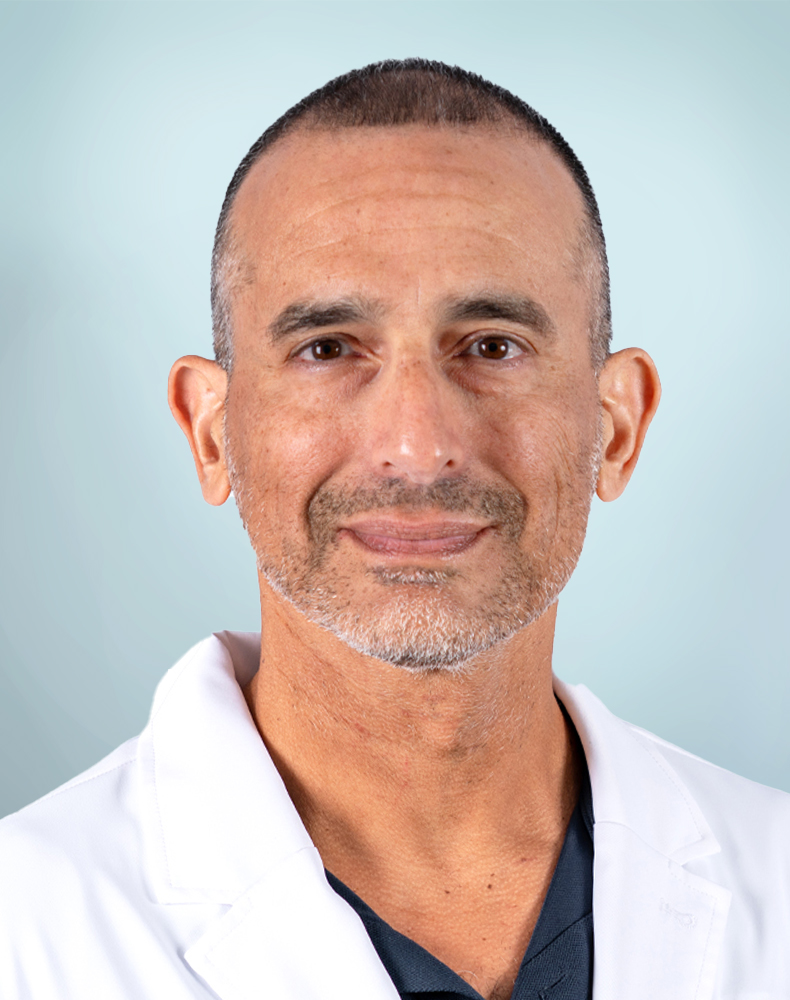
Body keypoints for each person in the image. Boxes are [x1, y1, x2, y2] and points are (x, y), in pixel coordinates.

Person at [0, 59, 788, 1000]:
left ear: (615, 428)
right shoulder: (25, 929)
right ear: (212, 435)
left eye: (492, 345)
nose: (417, 447)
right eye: (328, 349)